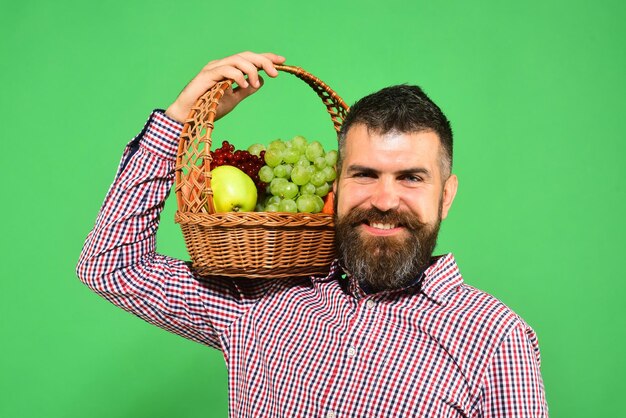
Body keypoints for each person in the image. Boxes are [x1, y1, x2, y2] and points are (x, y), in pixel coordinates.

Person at [77, 51, 548, 417]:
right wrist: (180, 120)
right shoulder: (259, 299)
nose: (384, 199)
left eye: (410, 177)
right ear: (336, 185)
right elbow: (112, 266)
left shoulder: (495, 340)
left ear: (445, 196)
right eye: (364, 174)